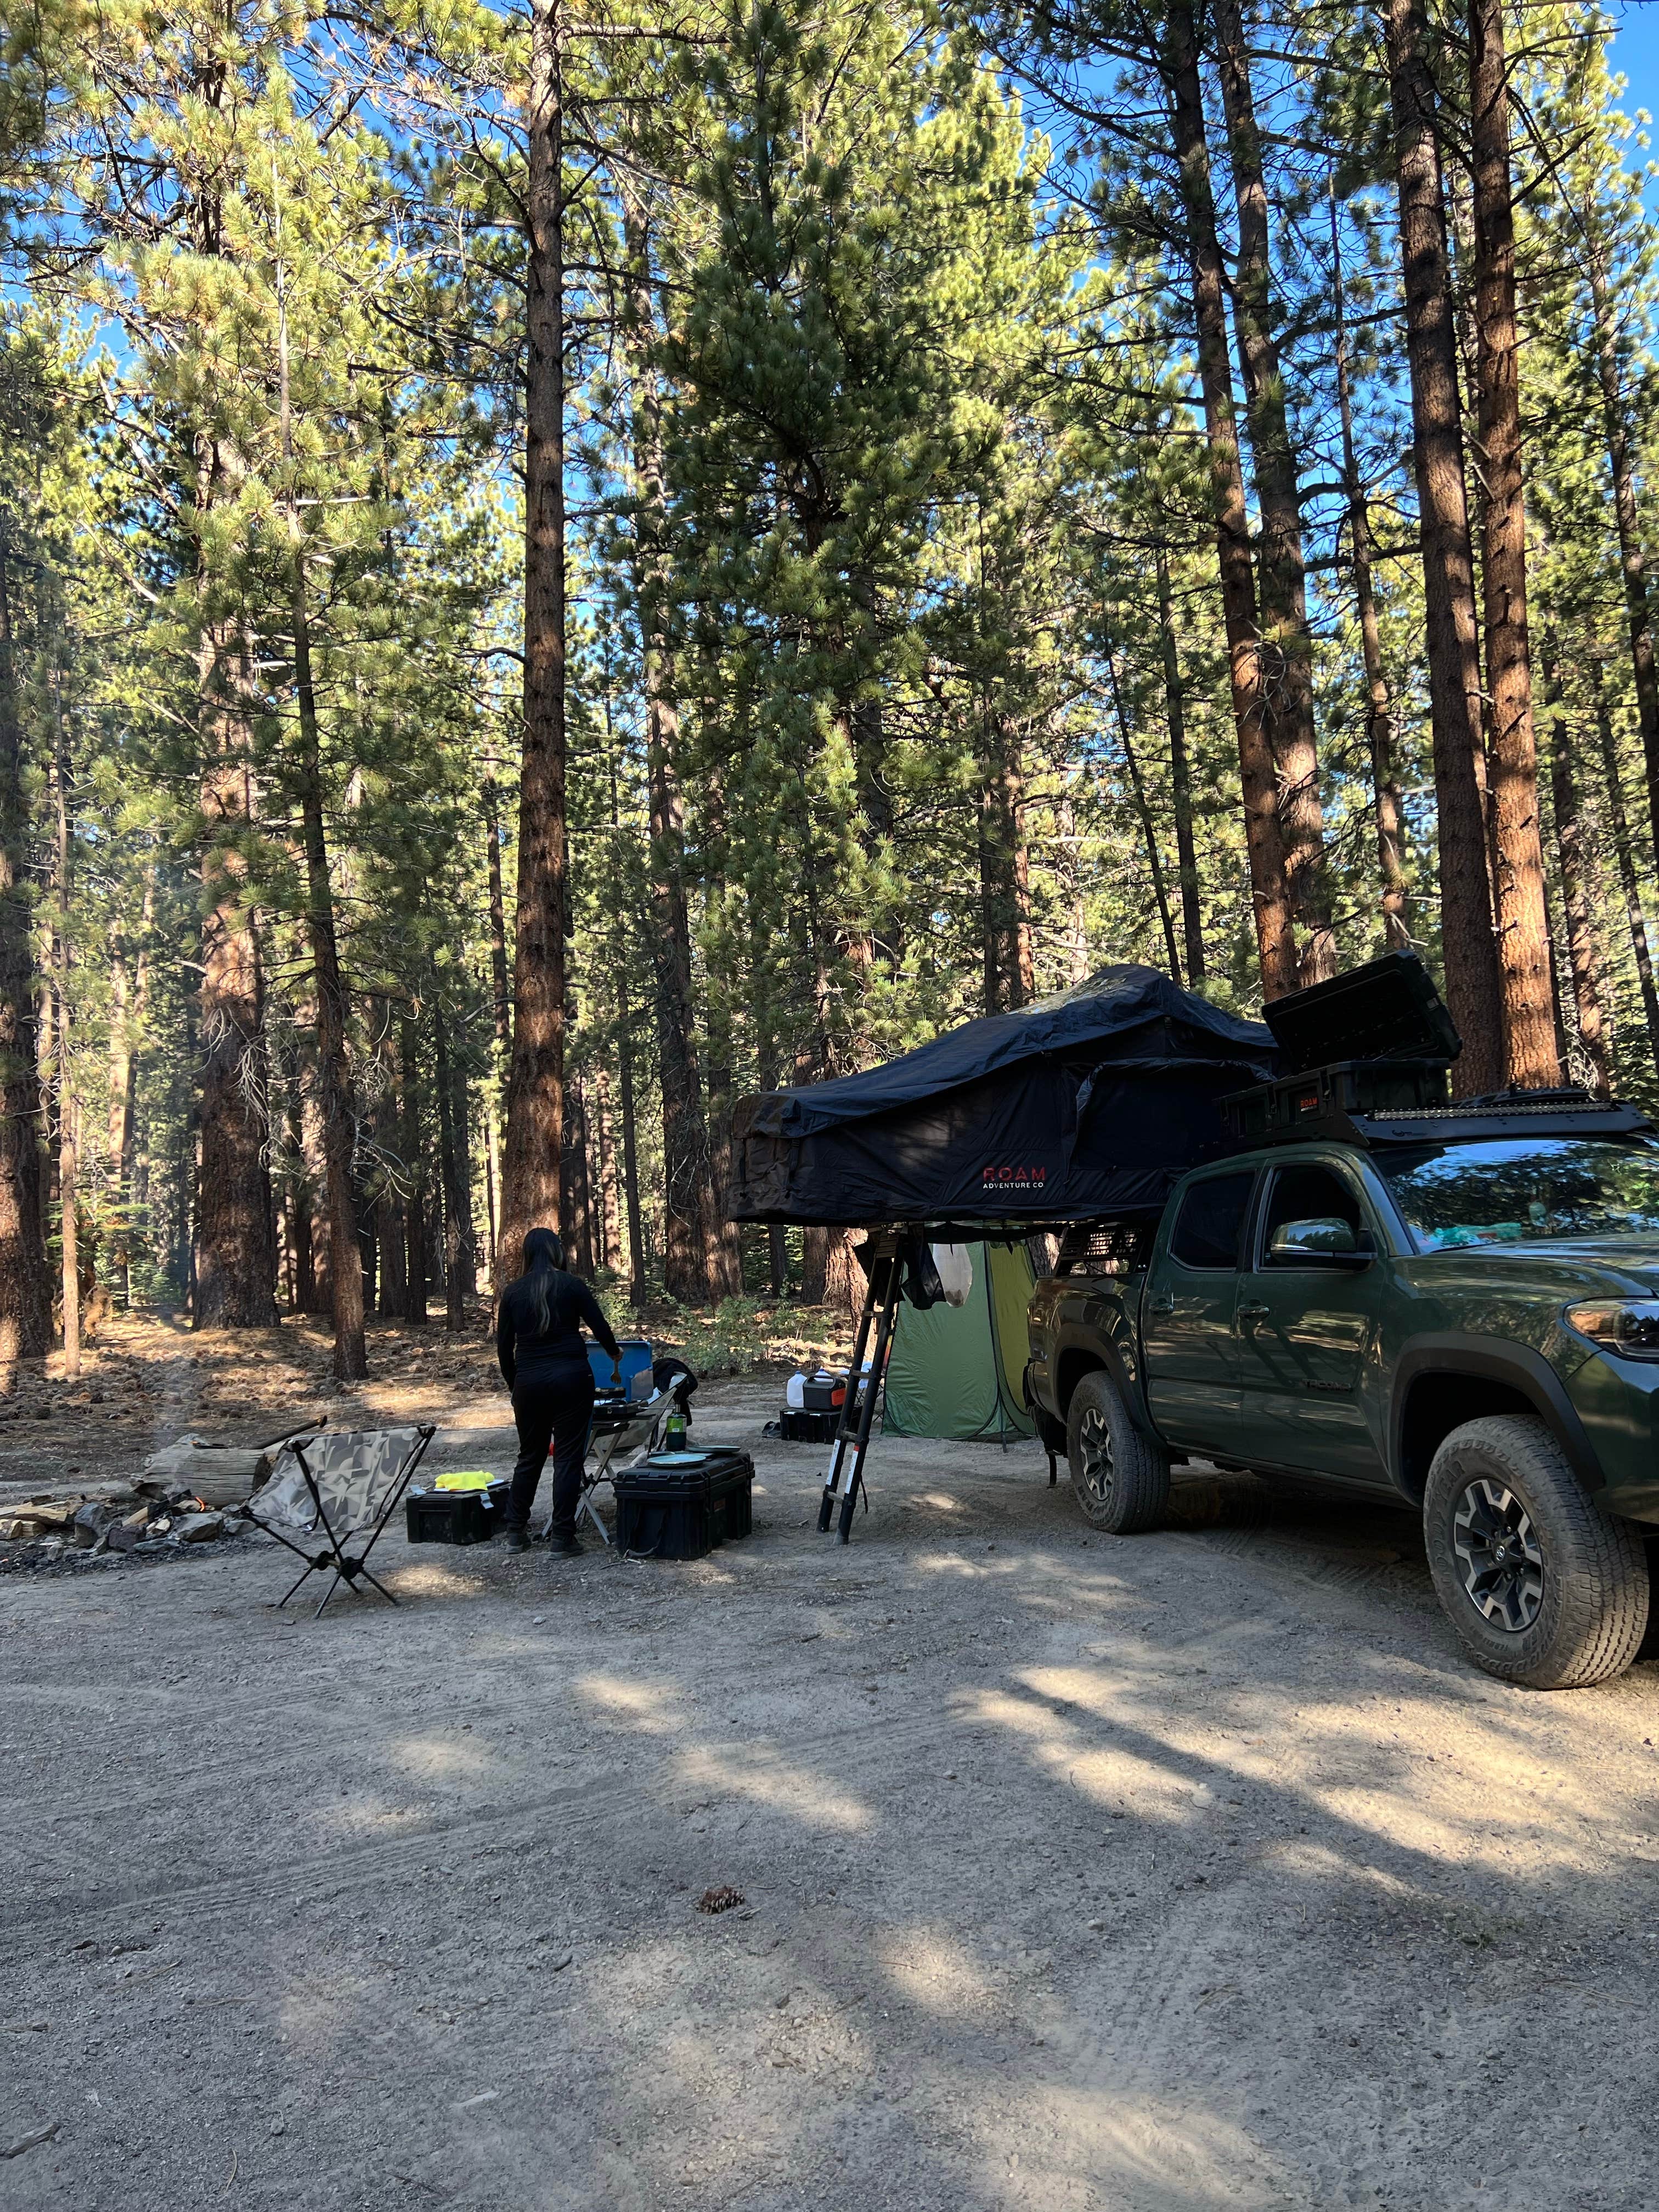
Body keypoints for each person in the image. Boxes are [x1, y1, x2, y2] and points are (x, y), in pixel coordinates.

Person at [496, 1227, 622, 1555]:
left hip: (529, 1381)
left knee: (530, 1455)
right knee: (567, 1457)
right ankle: (562, 1538)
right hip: (571, 1377)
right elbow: (600, 1327)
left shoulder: (513, 1293)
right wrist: (613, 1353)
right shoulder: (571, 1285)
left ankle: (515, 1532)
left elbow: (504, 1348)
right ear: (556, 1252)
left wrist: (516, 1386)